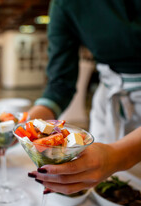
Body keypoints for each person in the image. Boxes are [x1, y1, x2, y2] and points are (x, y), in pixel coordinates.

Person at [28, 0, 141, 194]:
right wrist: (30, 123)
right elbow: (60, 84)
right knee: (104, 191)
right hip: (109, 101)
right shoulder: (64, 4)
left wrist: (118, 156)